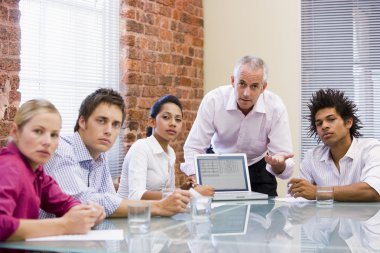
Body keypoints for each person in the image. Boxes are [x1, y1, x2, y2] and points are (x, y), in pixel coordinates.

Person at [41, 88, 190, 219]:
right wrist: (159, 207)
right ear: (82, 121)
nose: (108, 131)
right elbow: (83, 201)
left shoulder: (100, 155)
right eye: (101, 121)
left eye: (116, 124)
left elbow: (109, 200)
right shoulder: (61, 149)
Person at [183, 55, 294, 196]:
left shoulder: (275, 107)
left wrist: (279, 164)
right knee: (215, 216)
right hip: (217, 163)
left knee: (266, 215)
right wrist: (195, 178)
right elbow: (194, 146)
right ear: (233, 81)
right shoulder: (213, 101)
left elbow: (284, 164)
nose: (246, 93)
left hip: (258, 166)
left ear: (263, 87)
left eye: (254, 86)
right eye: (242, 84)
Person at [0, 99, 105, 241]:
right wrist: (64, 225)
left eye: (54, 135)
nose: (47, 142)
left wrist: (87, 213)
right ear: (15, 131)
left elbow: (64, 203)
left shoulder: (36, 171)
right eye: (38, 131)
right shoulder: (10, 167)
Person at [289, 89, 380, 201]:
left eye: (331, 119)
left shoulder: (371, 149)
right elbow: (297, 195)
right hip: (324, 218)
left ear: (348, 122)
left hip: (365, 218)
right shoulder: (312, 157)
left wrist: (318, 192)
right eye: (319, 123)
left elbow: (373, 191)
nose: (324, 126)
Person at [117, 95, 214, 200]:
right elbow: (136, 195)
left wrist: (185, 189)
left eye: (178, 119)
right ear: (152, 122)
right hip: (128, 213)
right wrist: (191, 194)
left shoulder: (170, 152)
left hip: (154, 212)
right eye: (166, 117)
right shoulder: (141, 148)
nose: (173, 123)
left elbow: (167, 194)